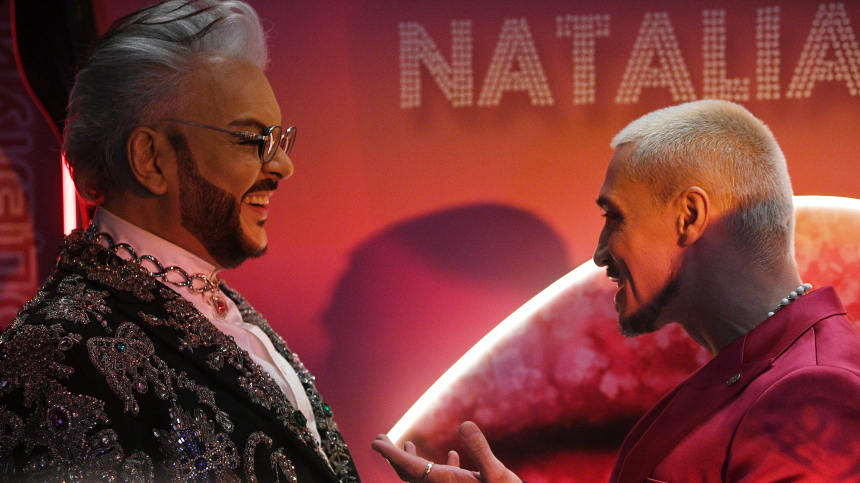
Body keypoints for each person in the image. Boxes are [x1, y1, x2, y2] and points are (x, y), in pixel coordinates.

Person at [372, 99, 860, 482]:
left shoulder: (815, 394)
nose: (600, 253)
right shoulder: (750, 373)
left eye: (615, 218)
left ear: (689, 216)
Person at [0, 1, 360, 482]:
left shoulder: (216, 302)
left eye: (280, 140)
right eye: (252, 140)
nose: (282, 166)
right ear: (150, 159)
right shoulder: (57, 356)